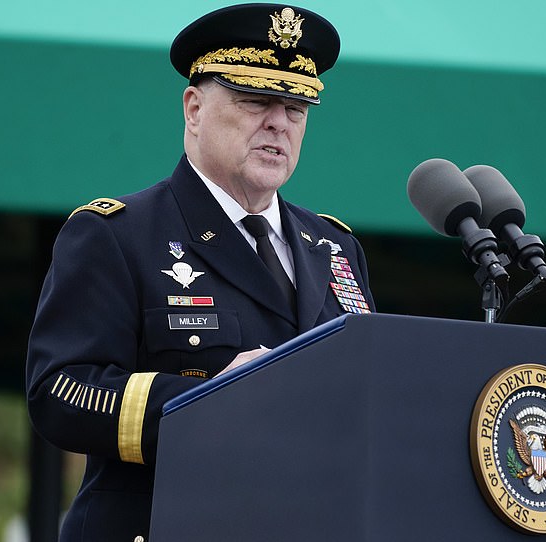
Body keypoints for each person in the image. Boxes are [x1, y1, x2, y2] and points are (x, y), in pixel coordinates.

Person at [26, 4, 376, 540]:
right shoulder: (118, 234)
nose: (278, 122)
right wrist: (208, 403)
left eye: (296, 107)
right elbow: (58, 390)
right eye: (256, 99)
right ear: (193, 108)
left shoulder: (335, 247)